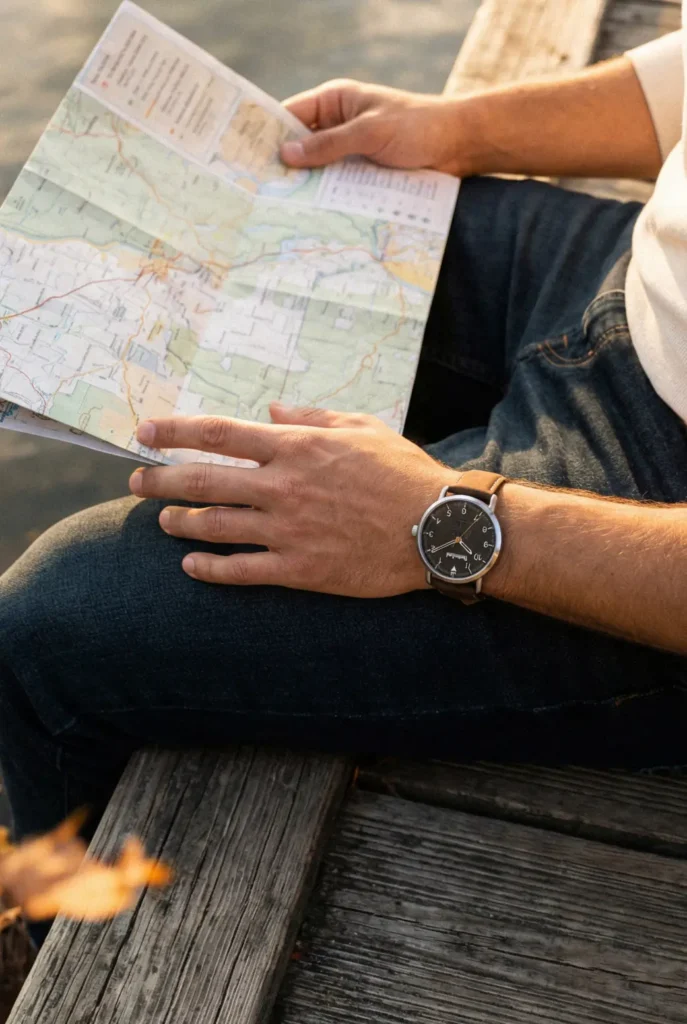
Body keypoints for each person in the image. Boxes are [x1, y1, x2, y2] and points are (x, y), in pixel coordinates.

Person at [1, 23, 687, 869]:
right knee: (272, 221)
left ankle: (62, 958)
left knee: (48, 629)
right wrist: (456, 128)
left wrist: (437, 522)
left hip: (653, 505)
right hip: (623, 270)